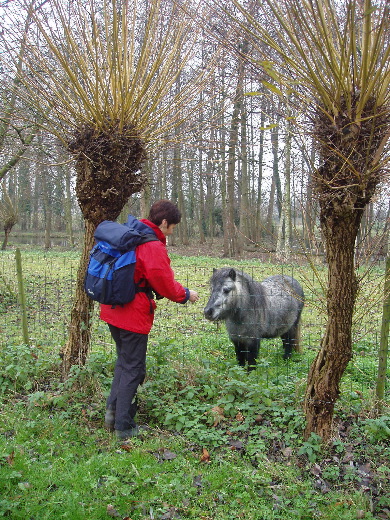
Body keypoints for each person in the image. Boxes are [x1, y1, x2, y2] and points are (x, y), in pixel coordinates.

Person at [100, 200, 199, 440]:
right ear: (164, 222)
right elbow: (164, 284)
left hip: (112, 309)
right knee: (134, 368)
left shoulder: (132, 234)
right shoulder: (151, 245)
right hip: (132, 315)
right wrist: (186, 294)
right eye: (173, 226)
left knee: (124, 363)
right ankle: (124, 427)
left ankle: (112, 415)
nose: (173, 230)